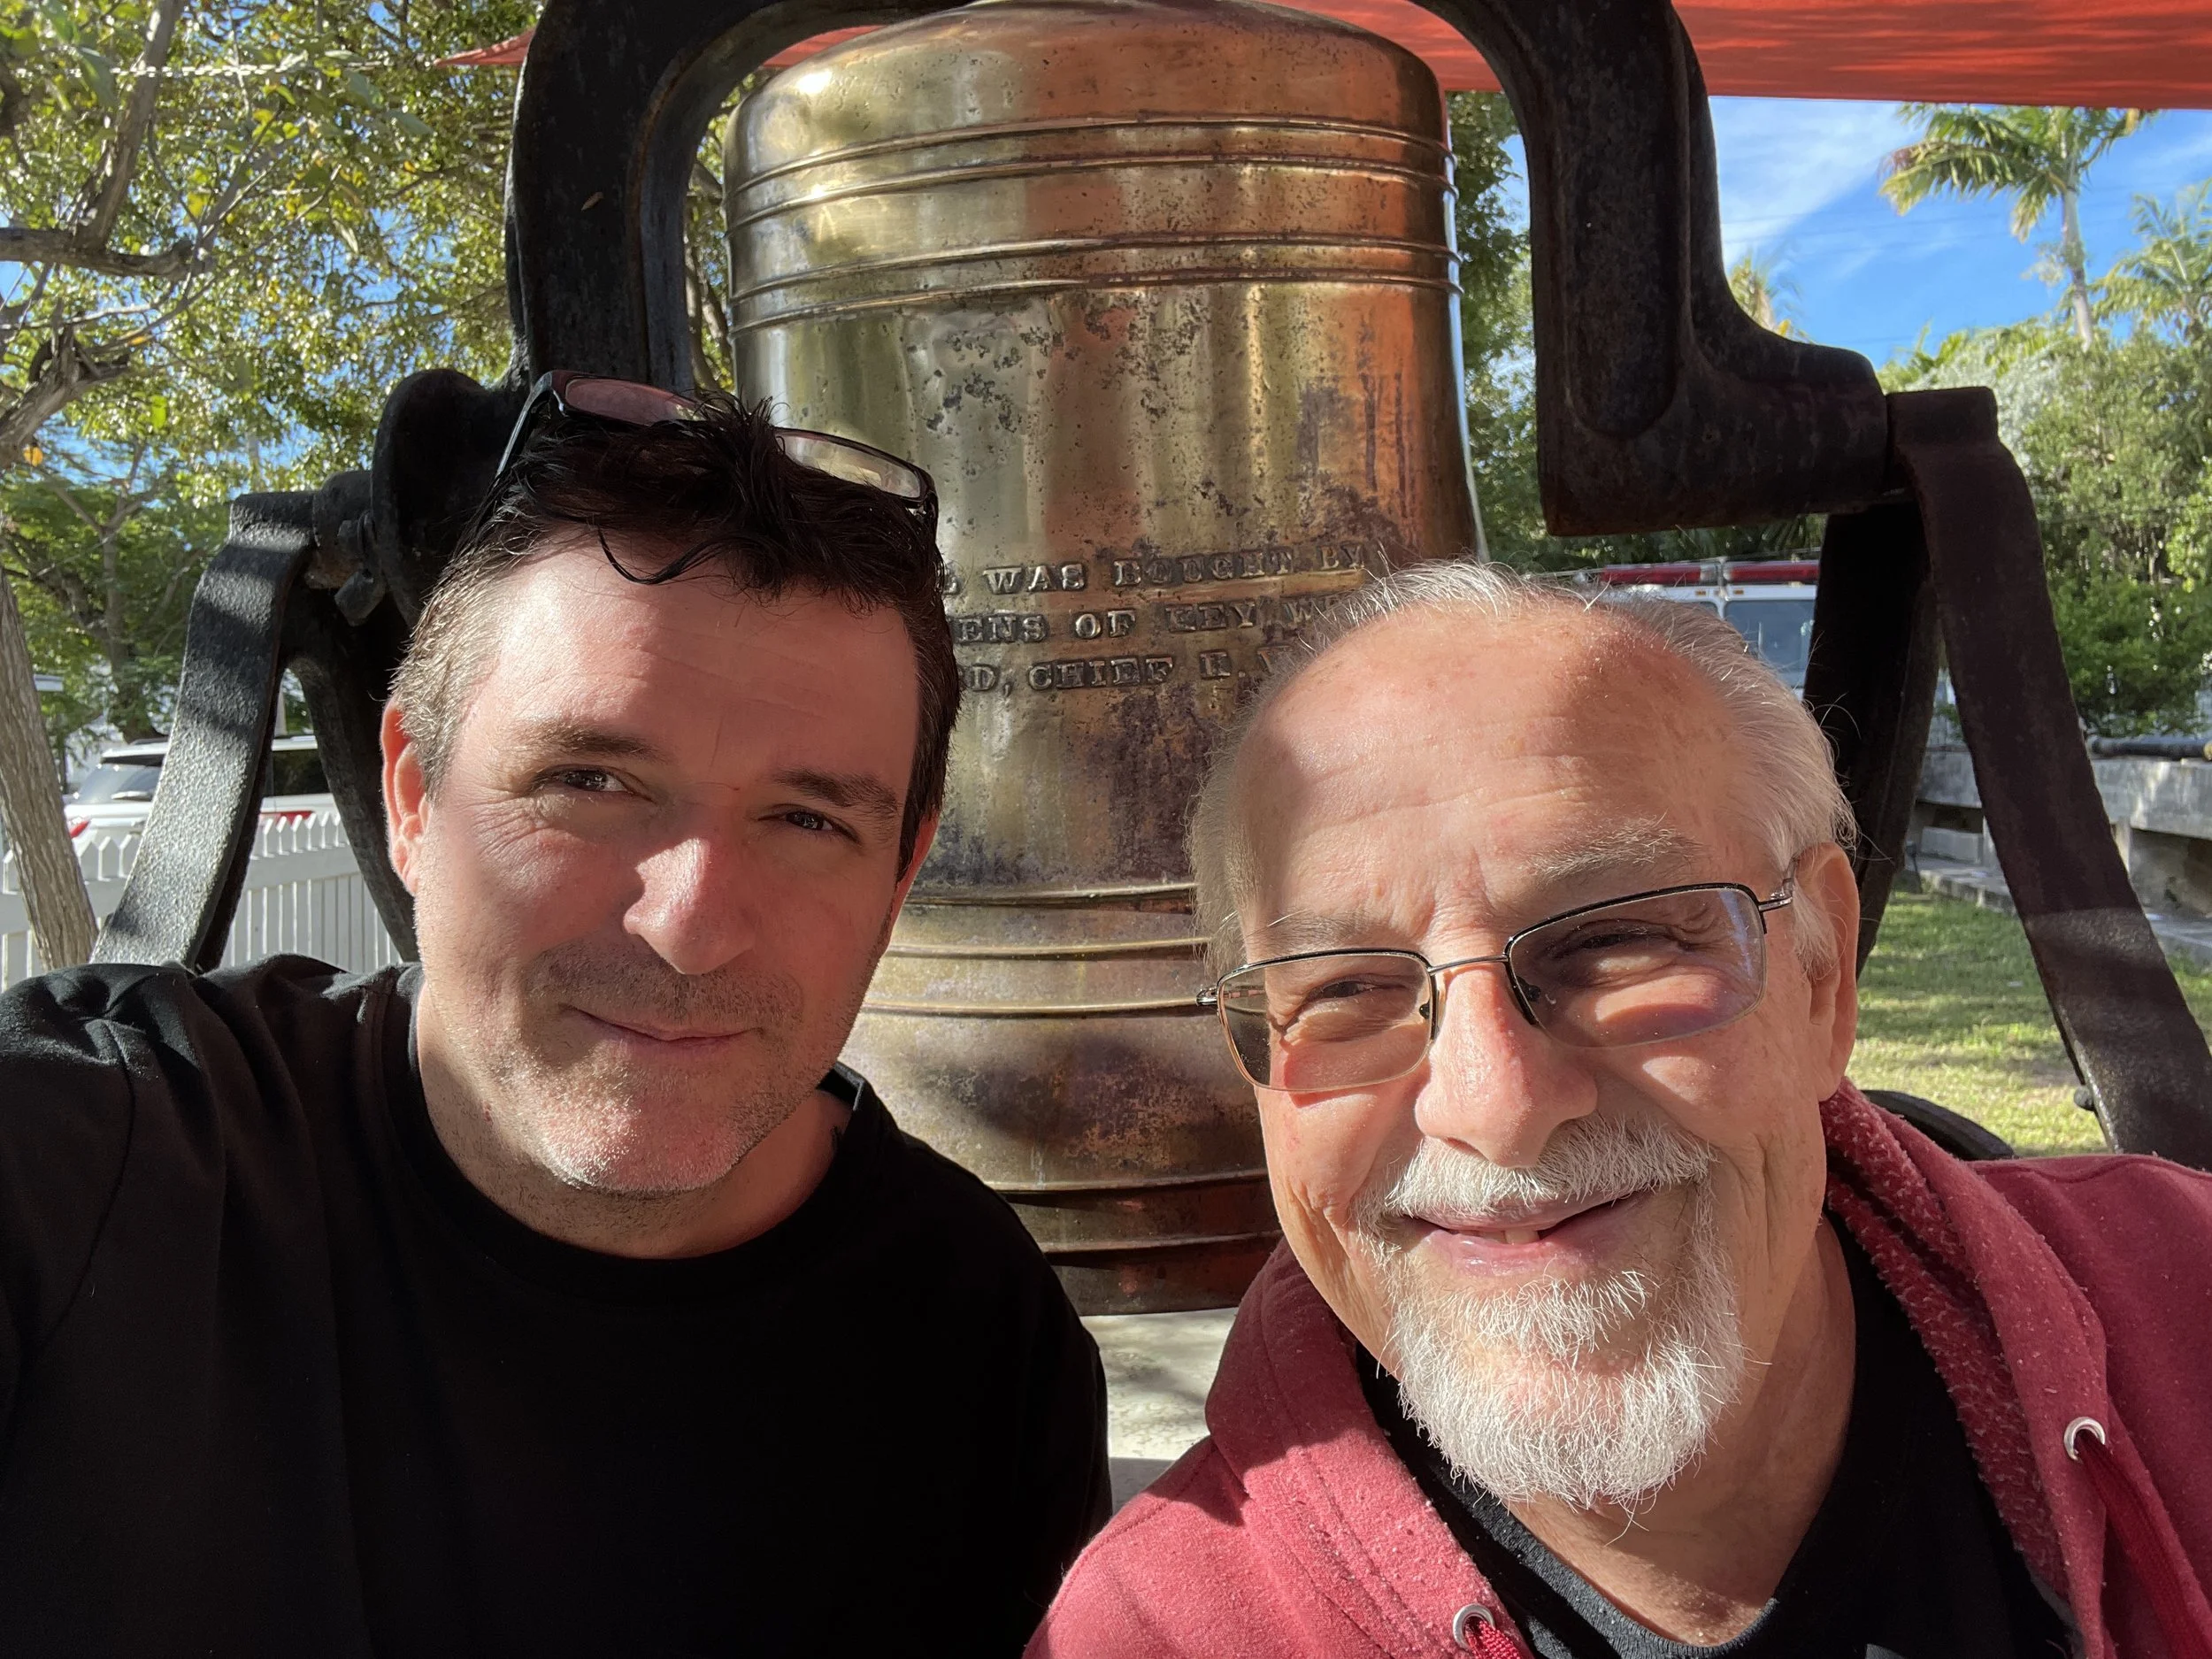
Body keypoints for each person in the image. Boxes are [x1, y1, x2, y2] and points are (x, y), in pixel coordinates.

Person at [0, 380, 1110, 1657]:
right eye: (591, 781)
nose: (691, 923)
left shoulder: (985, 1355)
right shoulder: (88, 1167)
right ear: (412, 793)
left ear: (901, 870)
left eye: (808, 819)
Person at [1030, 562, 2212, 1659]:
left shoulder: (2187, 1303)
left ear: (1820, 976)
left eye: (1619, 937)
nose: (1497, 1107)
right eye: (1344, 988)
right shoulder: (1159, 1629)